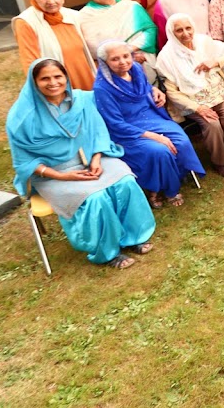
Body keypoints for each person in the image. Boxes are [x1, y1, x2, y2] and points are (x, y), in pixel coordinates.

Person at [8, 59, 155, 269]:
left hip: (90, 158)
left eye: (58, 76)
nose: (53, 83)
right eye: (45, 78)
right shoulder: (21, 117)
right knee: (95, 197)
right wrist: (63, 176)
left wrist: (96, 158)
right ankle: (107, 252)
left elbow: (98, 131)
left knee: (125, 181)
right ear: (34, 82)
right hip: (52, 173)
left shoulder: (83, 100)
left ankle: (134, 237)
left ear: (65, 77)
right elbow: (24, 162)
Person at [93, 41, 204, 209]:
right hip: (127, 129)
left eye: (125, 56)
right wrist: (154, 136)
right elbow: (114, 123)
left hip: (151, 116)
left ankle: (171, 177)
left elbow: (144, 88)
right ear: (104, 62)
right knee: (159, 150)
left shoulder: (136, 69)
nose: (123, 61)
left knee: (180, 141)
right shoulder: (102, 88)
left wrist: (154, 91)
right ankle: (162, 188)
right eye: (115, 59)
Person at [156, 13, 224, 177]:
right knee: (212, 123)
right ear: (171, 33)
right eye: (179, 30)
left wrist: (216, 62)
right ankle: (221, 161)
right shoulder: (166, 57)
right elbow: (172, 93)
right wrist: (197, 108)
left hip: (220, 91)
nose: (186, 33)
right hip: (192, 100)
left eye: (188, 28)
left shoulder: (203, 42)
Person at [13, 0, 95, 90]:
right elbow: (29, 59)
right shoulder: (25, 22)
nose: (50, 1)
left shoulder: (74, 15)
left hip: (84, 74)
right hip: (54, 82)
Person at [77, 0, 157, 71]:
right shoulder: (83, 16)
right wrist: (123, 56)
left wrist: (130, 49)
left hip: (141, 59)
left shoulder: (131, 6)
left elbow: (150, 31)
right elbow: (92, 47)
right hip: (111, 66)